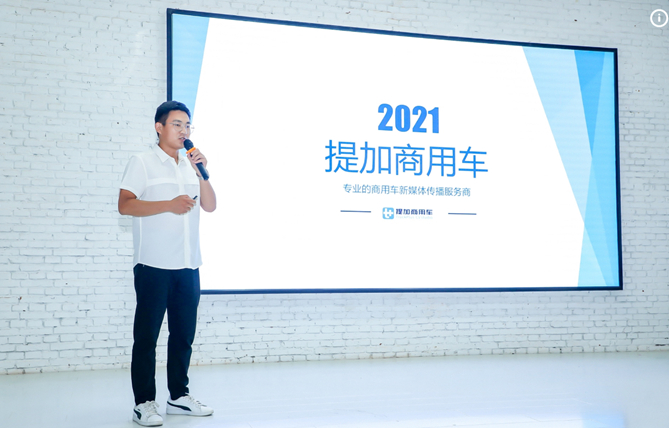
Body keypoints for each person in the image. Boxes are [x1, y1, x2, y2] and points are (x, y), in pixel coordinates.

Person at [118, 101, 217, 426]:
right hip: (153, 265)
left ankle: (178, 396)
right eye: (177, 124)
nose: (184, 131)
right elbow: (125, 205)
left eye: (187, 125)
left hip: (188, 265)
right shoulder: (142, 162)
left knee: (183, 336)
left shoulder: (191, 164)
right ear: (159, 127)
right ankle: (144, 403)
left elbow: (210, 206)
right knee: (147, 338)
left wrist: (202, 173)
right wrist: (168, 205)